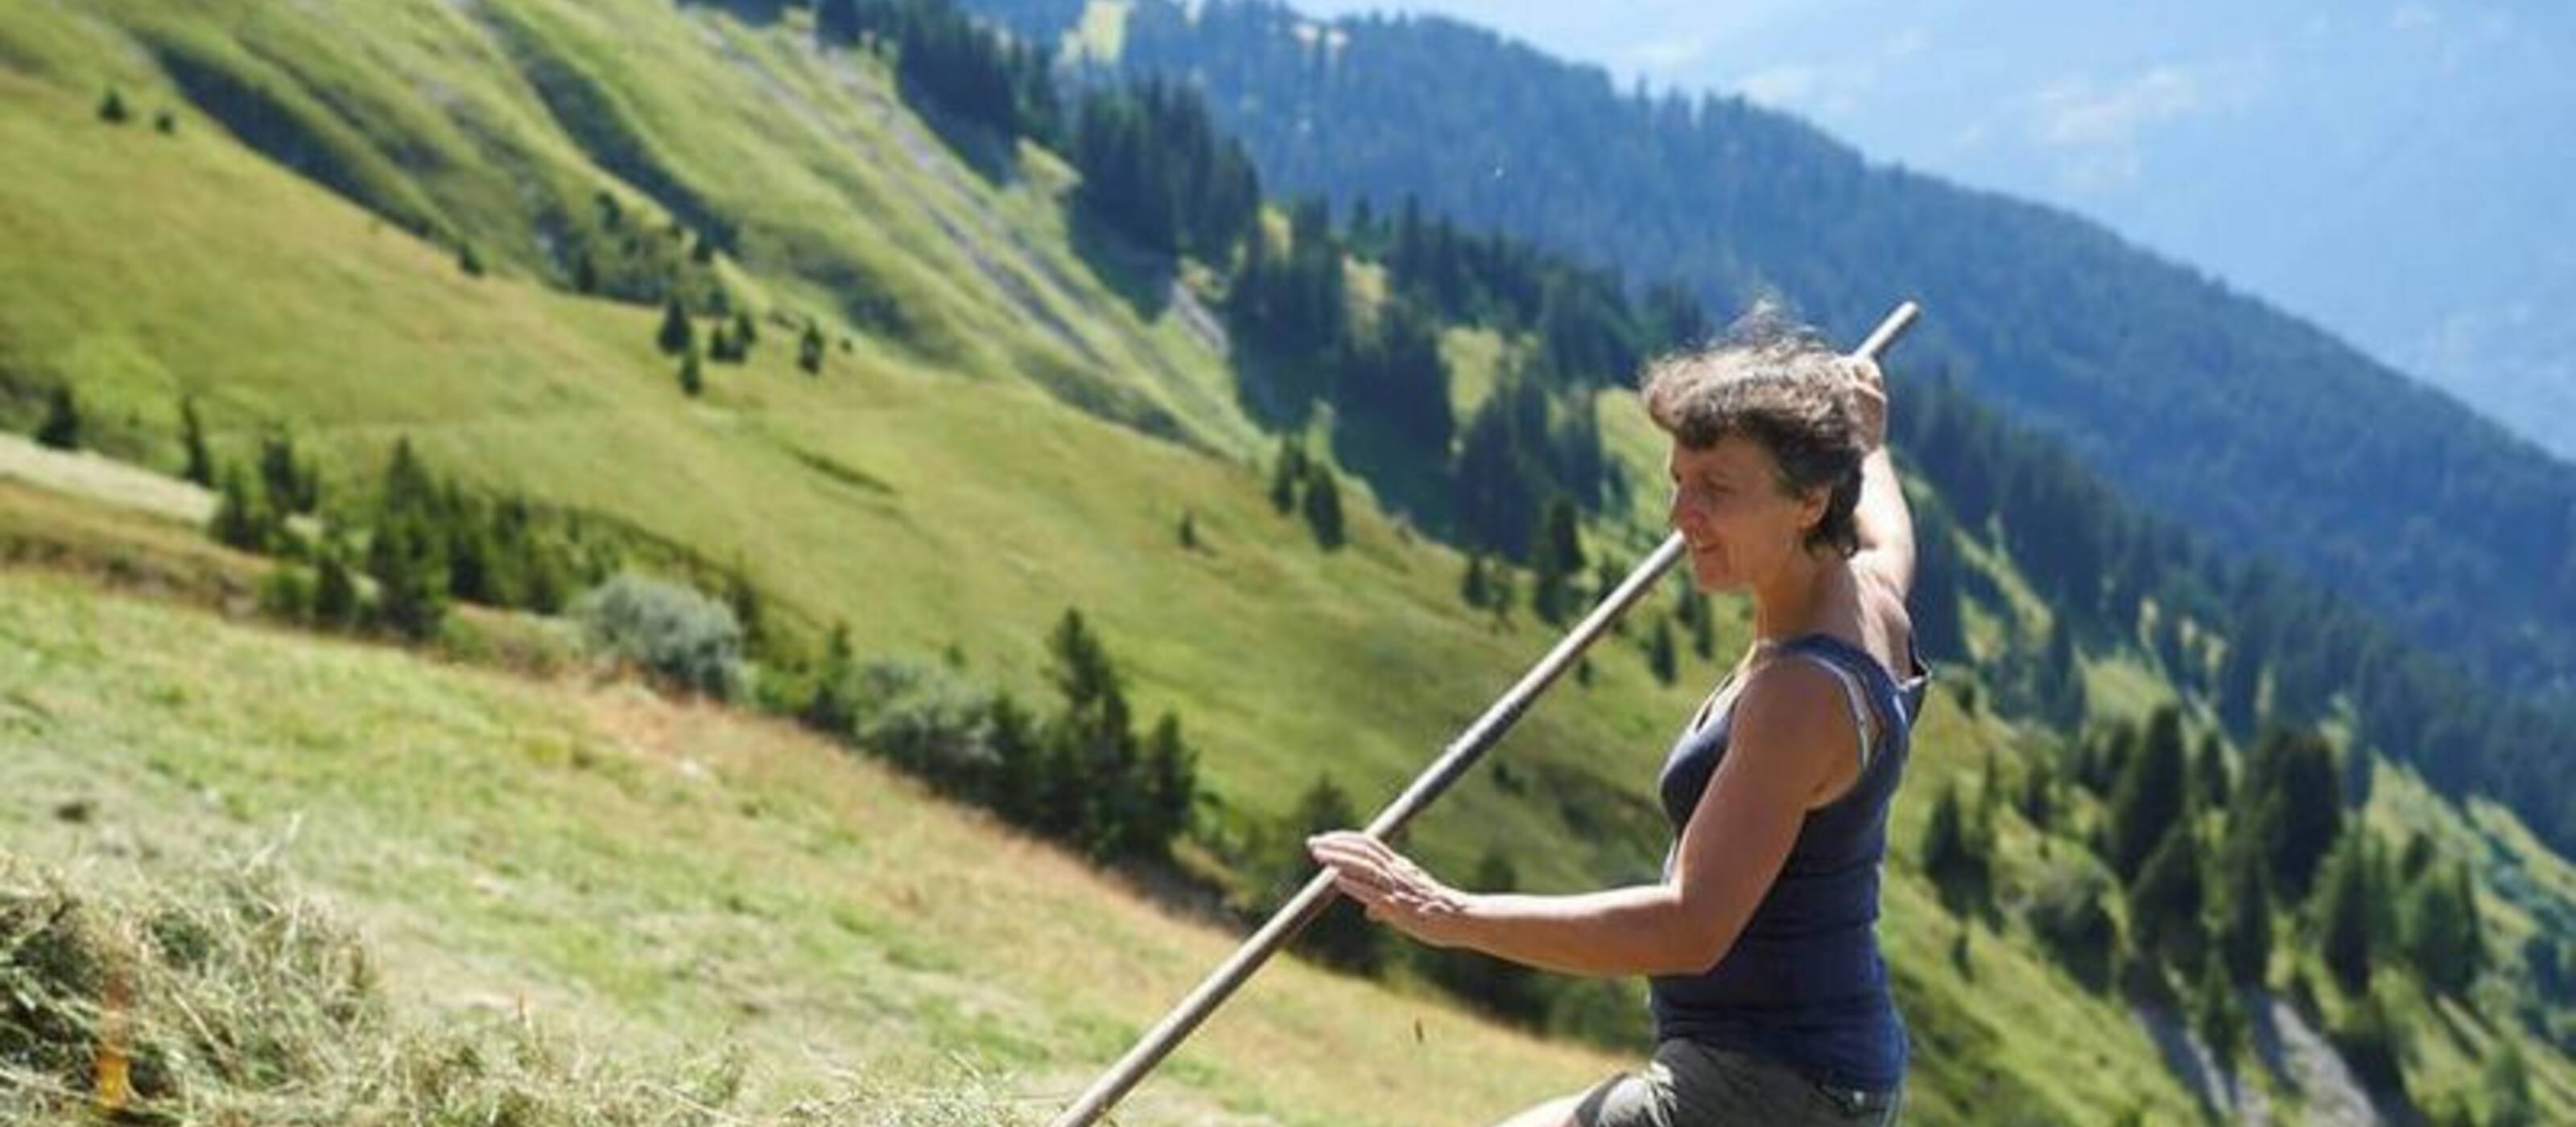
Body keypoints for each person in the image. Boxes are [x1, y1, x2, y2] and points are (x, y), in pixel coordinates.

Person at [1309, 308, 1928, 1125]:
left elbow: (1689, 925)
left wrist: (1449, 913)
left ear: (1808, 499)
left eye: (1715, 489)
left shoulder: (1799, 695)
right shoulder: (1868, 594)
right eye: (1678, 479)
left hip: (1765, 1087)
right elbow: (1890, 528)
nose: (1680, 515)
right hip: (1810, 1073)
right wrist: (1867, 441)